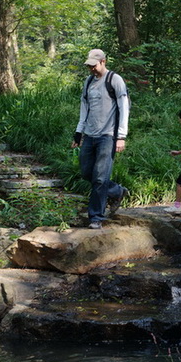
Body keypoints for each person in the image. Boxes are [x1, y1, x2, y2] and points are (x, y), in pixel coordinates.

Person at [71, 49, 130, 229]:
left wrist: (121, 136)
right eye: (89, 66)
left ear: (103, 61)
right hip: (90, 135)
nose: (91, 69)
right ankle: (117, 191)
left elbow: (124, 107)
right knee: (86, 172)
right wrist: (78, 132)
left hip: (108, 136)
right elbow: (84, 108)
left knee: (99, 177)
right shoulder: (88, 82)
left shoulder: (115, 80)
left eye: (94, 65)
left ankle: (96, 217)